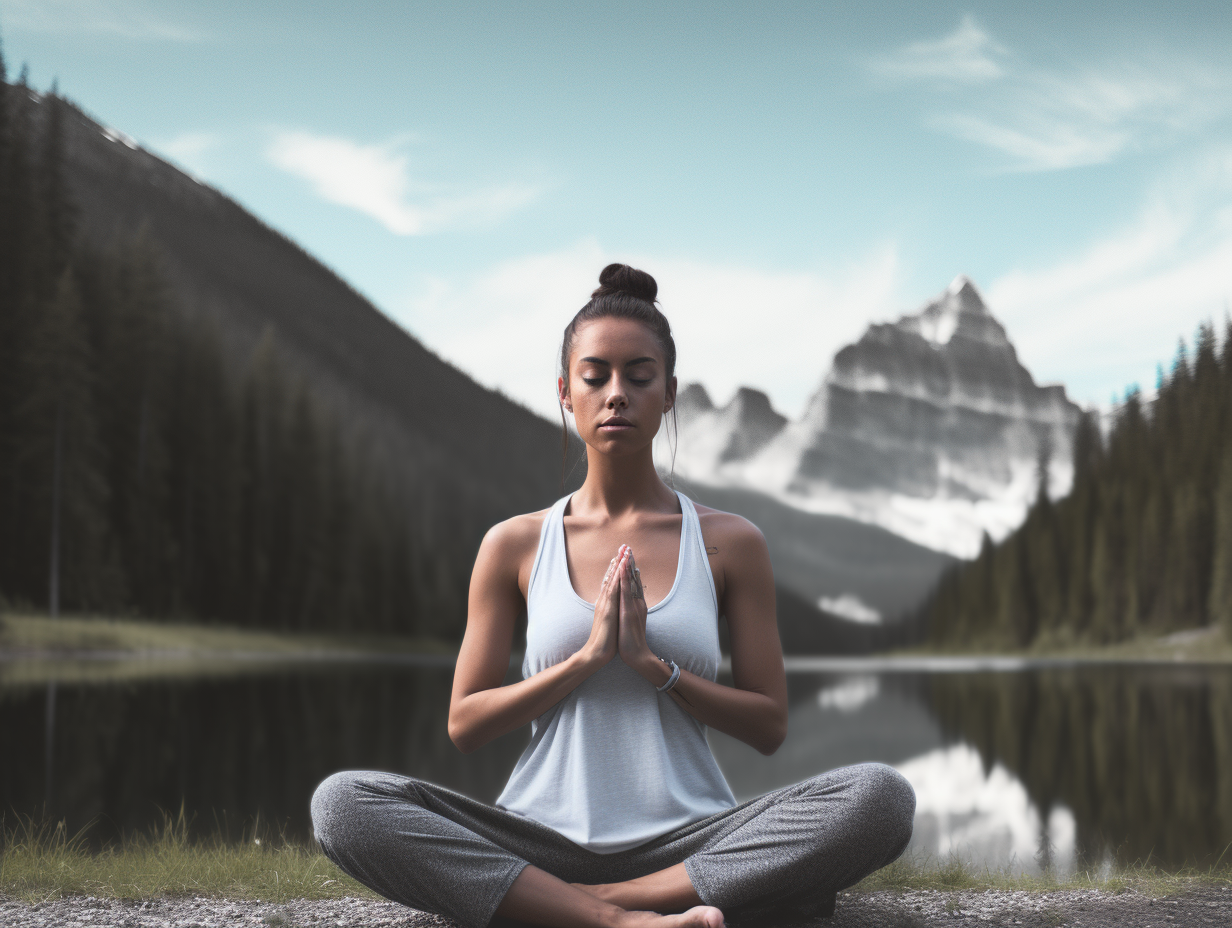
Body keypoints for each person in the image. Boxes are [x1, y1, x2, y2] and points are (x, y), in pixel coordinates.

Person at [310, 264, 916, 928]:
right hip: (539, 839)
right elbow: (466, 723)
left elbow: (768, 726)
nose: (617, 394)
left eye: (639, 375)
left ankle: (585, 908)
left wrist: (656, 669)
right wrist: (586, 660)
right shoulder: (513, 544)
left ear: (670, 393)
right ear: (566, 393)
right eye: (595, 376)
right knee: (344, 803)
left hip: (691, 840)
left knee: (879, 797)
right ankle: (627, 918)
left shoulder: (729, 542)